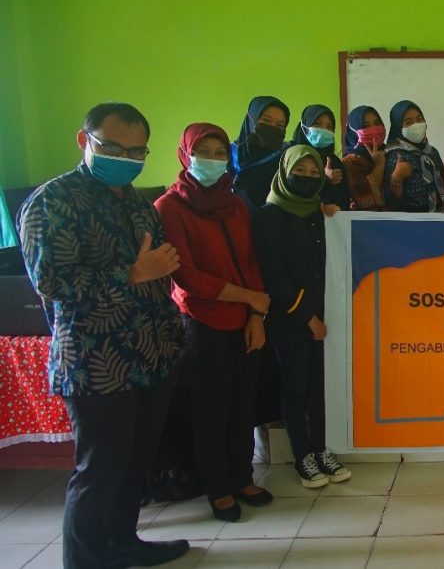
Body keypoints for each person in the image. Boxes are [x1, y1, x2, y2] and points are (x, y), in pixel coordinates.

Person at [17, 102, 189, 568]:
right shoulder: (53, 202)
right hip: (95, 362)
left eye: (136, 152)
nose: (125, 159)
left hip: (151, 354)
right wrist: (130, 274)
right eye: (113, 147)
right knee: (99, 470)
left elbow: (159, 270)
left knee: (136, 463)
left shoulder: (137, 203)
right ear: (84, 141)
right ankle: (86, 561)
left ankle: (122, 544)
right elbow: (51, 283)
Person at [154, 123, 275, 522]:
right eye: (202, 151)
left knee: (243, 404)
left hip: (245, 320)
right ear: (185, 154)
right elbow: (186, 276)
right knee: (212, 409)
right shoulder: (169, 207)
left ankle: (242, 477)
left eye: (219, 152)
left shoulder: (236, 204)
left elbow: (253, 260)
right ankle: (218, 487)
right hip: (203, 323)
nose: (212, 159)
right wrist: (248, 298)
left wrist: (256, 314)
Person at [253, 145, 351, 488]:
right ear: (284, 173)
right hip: (291, 320)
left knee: (321, 388)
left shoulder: (317, 214)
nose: (307, 179)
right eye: (299, 172)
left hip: (324, 319)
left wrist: (336, 218)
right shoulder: (268, 217)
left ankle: (322, 449)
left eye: (313, 174)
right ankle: (303, 456)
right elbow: (275, 276)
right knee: (296, 388)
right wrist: (309, 318)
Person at [384, 100, 444, 212]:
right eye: (408, 122)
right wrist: (396, 179)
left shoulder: (432, 152)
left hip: (439, 217)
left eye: (419, 119)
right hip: (410, 220)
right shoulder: (395, 155)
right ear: (398, 127)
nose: (416, 125)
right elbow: (391, 202)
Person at [232, 96, 290, 208]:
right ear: (250, 120)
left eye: (279, 125)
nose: (272, 127)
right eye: (266, 120)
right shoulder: (225, 155)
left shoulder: (287, 157)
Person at [293, 104, 349, 210]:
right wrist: (323, 178)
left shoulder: (335, 163)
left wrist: (334, 208)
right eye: (317, 124)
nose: (323, 130)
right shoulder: (291, 156)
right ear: (304, 126)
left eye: (329, 127)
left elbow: (343, 202)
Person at [342, 105, 387, 211]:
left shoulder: (389, 152)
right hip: (362, 220)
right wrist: (379, 165)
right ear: (353, 131)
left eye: (377, 123)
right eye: (366, 126)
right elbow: (365, 202)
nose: (373, 129)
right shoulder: (351, 161)